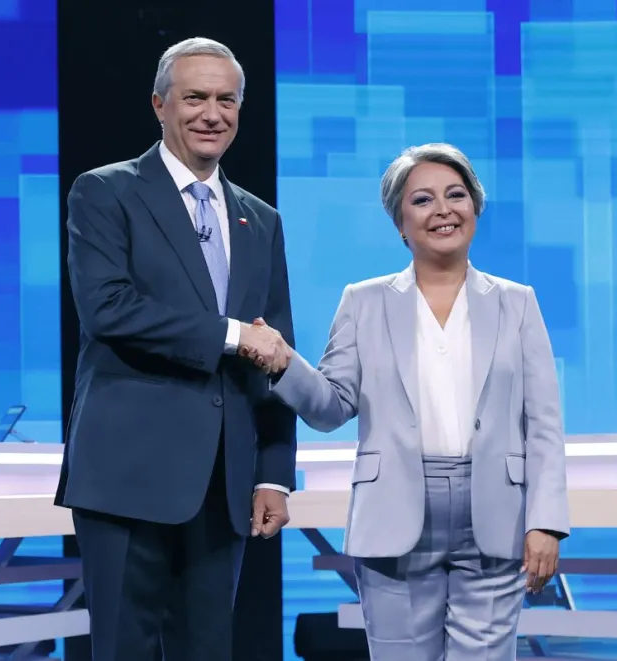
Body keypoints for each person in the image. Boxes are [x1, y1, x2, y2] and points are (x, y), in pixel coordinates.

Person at [245, 143, 570, 661]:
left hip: (495, 516)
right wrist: (285, 363)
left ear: (476, 207)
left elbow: (544, 425)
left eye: (456, 195)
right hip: (393, 512)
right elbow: (331, 407)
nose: (443, 210)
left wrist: (545, 521)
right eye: (422, 200)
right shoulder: (363, 301)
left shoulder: (518, 302)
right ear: (400, 222)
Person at [54, 37, 297, 661]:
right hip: (127, 475)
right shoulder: (105, 192)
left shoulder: (260, 220)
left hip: (223, 483)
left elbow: (276, 353)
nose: (212, 114)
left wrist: (275, 472)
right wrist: (232, 335)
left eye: (226, 100)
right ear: (160, 105)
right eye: (194, 98)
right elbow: (108, 308)